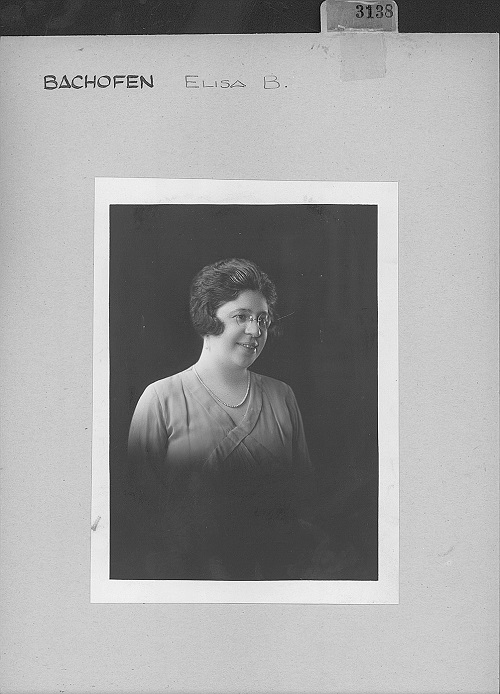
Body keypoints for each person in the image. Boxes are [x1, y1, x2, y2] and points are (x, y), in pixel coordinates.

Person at [127, 258, 317, 580]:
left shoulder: (281, 397)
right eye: (241, 317)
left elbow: (303, 501)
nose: (255, 331)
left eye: (262, 319)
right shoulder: (161, 399)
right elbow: (139, 515)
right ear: (208, 317)